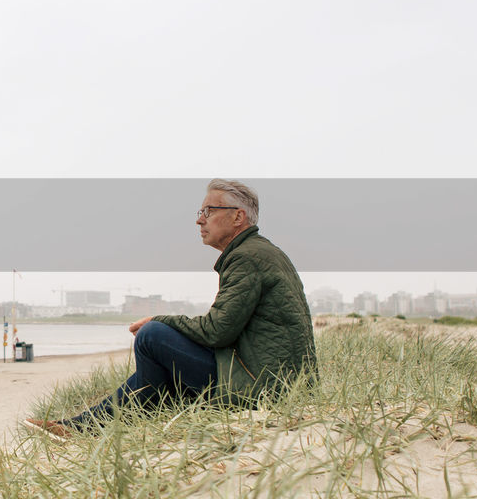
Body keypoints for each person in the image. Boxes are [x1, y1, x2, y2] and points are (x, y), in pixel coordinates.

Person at [25, 179, 316, 438]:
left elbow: (217, 331)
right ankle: (87, 426)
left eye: (209, 211)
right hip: (273, 378)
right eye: (200, 213)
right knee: (157, 355)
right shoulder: (260, 252)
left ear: (238, 217)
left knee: (152, 335)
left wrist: (161, 319)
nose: (200, 221)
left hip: (260, 387)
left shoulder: (247, 257)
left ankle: (105, 424)